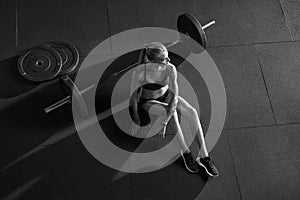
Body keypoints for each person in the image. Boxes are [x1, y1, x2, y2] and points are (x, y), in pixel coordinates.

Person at [129, 42, 219, 177]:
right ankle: (186, 152)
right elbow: (133, 98)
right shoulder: (139, 73)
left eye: (168, 56)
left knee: (192, 112)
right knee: (171, 112)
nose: (169, 60)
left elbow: (175, 94)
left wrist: (165, 122)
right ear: (153, 62)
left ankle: (203, 155)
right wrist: (135, 119)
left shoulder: (170, 69)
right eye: (165, 59)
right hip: (148, 102)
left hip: (166, 96)